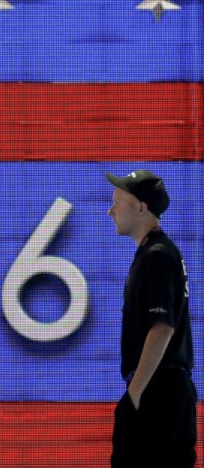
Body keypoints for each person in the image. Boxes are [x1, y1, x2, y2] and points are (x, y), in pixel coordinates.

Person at [106, 170, 197, 467]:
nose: (110, 211)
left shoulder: (157, 255)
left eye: (117, 203)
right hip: (168, 390)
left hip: (159, 393)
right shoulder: (156, 253)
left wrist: (134, 396)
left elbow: (162, 328)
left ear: (141, 207)